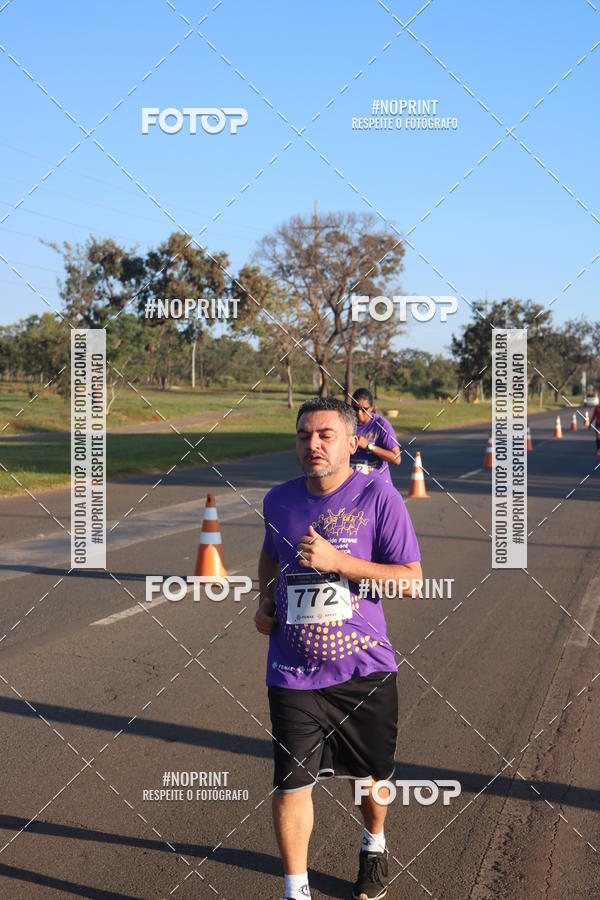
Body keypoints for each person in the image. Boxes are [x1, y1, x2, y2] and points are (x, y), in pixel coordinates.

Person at [255, 397, 422, 900]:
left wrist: (338, 562)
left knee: (369, 780)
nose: (314, 444)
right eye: (304, 435)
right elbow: (270, 557)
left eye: (326, 435)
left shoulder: (378, 496)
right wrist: (266, 601)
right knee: (291, 784)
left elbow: (411, 580)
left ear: (353, 443)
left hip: (363, 670)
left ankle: (374, 842)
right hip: (291, 670)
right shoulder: (278, 500)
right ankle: (296, 890)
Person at [350, 388, 401, 480]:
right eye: (355, 408)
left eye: (364, 409)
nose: (359, 413)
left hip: (376, 482)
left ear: (371, 408)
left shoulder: (381, 425)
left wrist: (369, 446)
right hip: (353, 481)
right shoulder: (346, 423)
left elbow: (396, 459)